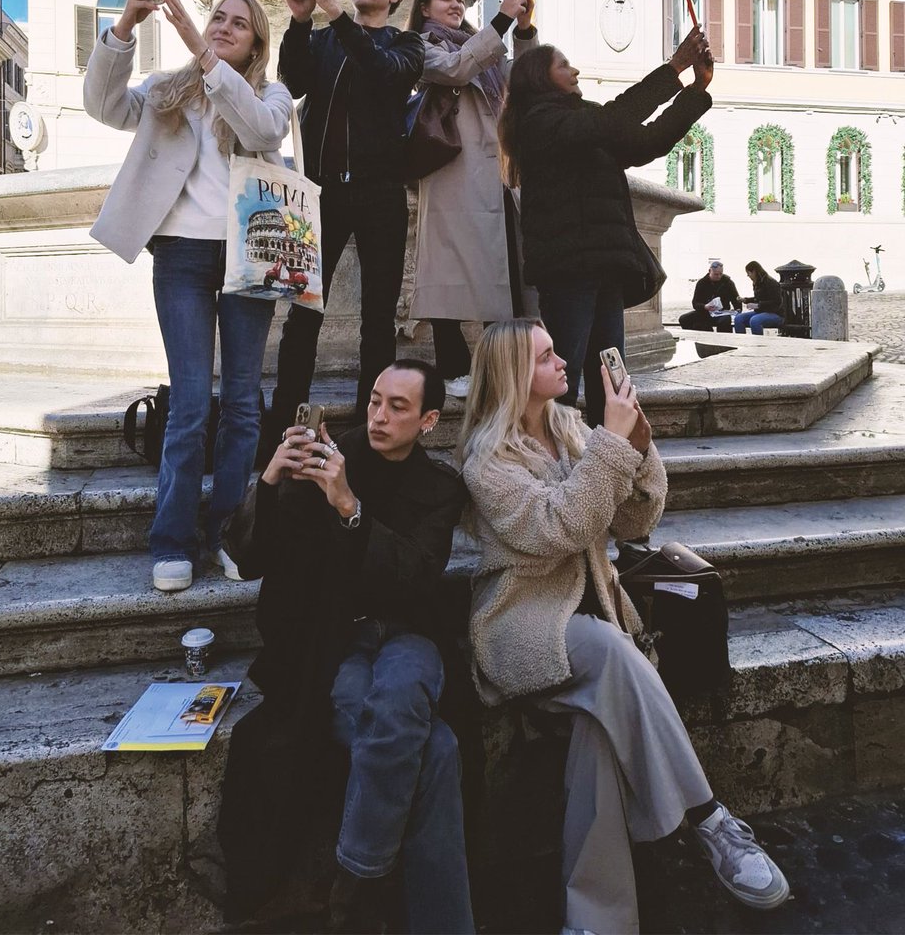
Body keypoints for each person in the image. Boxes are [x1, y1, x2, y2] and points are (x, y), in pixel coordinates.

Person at [459, 319, 791, 934]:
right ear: (512, 377)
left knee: (597, 728)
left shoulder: (571, 429)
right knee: (611, 652)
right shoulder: (488, 461)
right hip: (521, 623)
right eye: (546, 356)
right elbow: (560, 528)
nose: (564, 360)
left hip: (597, 618)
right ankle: (709, 817)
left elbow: (635, 526)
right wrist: (612, 446)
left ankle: (594, 922)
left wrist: (639, 451)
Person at [220, 360, 473, 935]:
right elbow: (251, 557)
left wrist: (349, 508)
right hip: (337, 638)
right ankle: (408, 907)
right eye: (376, 400)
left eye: (399, 407)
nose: (380, 415)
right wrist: (270, 480)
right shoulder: (336, 454)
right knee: (436, 751)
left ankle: (356, 880)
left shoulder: (439, 486)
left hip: (412, 632)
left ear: (429, 420)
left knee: (404, 690)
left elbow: (416, 577)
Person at [84, 0, 292, 592]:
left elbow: (262, 131)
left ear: (255, 43)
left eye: (237, 22)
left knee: (245, 407)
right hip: (180, 257)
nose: (222, 27)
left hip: (250, 257)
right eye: (216, 18)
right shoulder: (166, 91)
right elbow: (101, 105)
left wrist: (204, 58)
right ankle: (172, 540)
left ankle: (231, 532)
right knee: (192, 402)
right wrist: (125, 26)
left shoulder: (270, 95)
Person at [497, 32, 713, 428]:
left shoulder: (585, 121)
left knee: (612, 376)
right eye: (563, 65)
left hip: (606, 265)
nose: (575, 69)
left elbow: (647, 141)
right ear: (540, 79)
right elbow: (616, 118)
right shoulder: (539, 123)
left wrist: (696, 92)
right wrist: (674, 69)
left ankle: (607, 454)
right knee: (563, 374)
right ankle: (555, 458)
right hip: (569, 273)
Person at [270, 0, 426, 433]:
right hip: (320, 196)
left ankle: (370, 425)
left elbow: (383, 74)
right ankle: (284, 421)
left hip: (381, 194)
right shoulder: (322, 39)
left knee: (377, 322)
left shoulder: (407, 45)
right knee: (303, 312)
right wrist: (298, 22)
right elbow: (292, 82)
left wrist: (335, 14)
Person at [406, 0, 537, 397]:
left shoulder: (484, 44)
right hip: (453, 171)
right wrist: (499, 22)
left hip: (494, 168)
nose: (456, 4)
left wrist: (525, 29)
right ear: (424, 8)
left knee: (501, 270)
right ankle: (452, 363)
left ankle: (499, 365)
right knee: (450, 268)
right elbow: (455, 69)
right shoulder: (421, 45)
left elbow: (523, 80)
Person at [678, 258, 740, 332]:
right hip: (705, 312)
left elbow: (736, 299)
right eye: (716, 274)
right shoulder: (702, 283)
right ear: (710, 271)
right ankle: (700, 335)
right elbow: (695, 303)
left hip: (722, 313)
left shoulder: (728, 282)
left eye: (721, 274)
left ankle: (723, 341)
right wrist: (704, 306)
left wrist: (738, 309)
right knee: (684, 319)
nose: (719, 276)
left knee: (724, 321)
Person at [733, 260, 785, 335]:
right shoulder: (757, 282)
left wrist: (758, 305)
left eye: (749, 274)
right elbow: (758, 298)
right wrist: (745, 300)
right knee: (738, 319)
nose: (748, 276)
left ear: (754, 271)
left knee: (755, 321)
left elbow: (777, 302)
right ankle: (742, 341)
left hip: (776, 314)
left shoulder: (771, 282)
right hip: (761, 312)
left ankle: (759, 344)